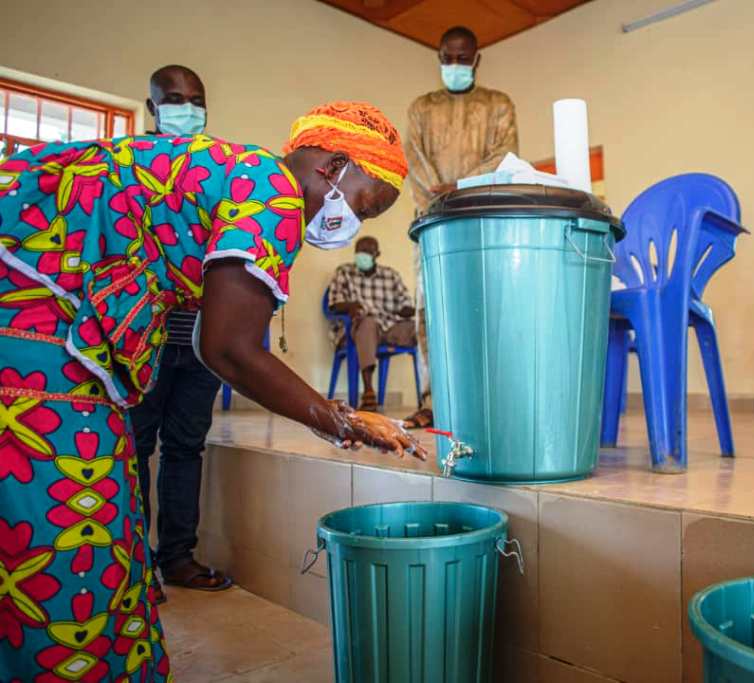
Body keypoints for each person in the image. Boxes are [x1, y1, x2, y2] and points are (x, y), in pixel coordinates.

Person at [0, 101, 423, 682]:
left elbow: (205, 340)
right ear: (334, 166)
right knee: (72, 527)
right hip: (31, 323)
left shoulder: (241, 175)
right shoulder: (271, 192)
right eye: (365, 205)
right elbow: (228, 348)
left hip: (45, 316)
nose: (357, 223)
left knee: (112, 496)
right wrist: (342, 420)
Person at [128, 64, 228, 606]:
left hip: (201, 337)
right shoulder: (128, 168)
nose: (186, 107)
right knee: (137, 446)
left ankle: (178, 557)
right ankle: (136, 567)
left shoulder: (221, 169)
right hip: (142, 336)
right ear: (151, 109)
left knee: (187, 447)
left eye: (195, 98)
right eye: (173, 98)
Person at [404, 25, 519, 429]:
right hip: (432, 223)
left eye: (462, 57)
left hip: (482, 221)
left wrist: (462, 189)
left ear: (477, 59)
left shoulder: (498, 104)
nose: (455, 65)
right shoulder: (421, 108)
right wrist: (441, 200)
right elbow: (413, 162)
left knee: (486, 307)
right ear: (439, 57)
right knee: (430, 312)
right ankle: (433, 401)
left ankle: (487, 397)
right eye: (447, 58)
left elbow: (504, 157)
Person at [328, 236, 416, 411]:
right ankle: (368, 392)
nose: (362, 256)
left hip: (390, 326)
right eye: (359, 251)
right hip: (359, 327)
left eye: (367, 252)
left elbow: (408, 306)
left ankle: (428, 397)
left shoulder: (390, 275)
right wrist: (351, 306)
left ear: (377, 254)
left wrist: (405, 310)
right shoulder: (344, 272)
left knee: (421, 328)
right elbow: (334, 304)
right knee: (367, 324)